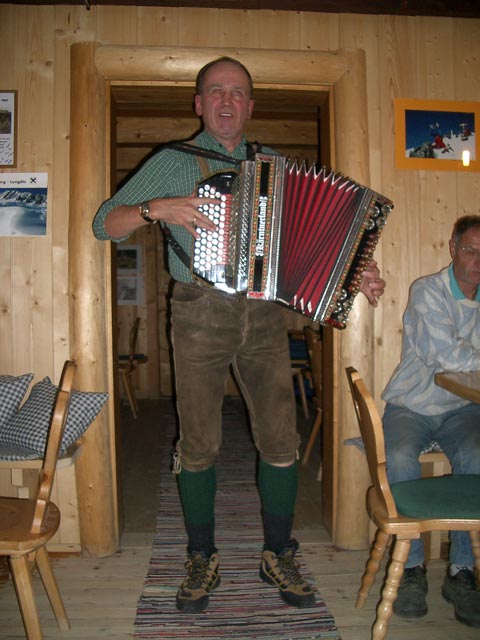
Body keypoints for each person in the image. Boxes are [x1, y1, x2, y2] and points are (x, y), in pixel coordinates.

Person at [93, 56, 385, 614]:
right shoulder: (172, 162)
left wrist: (353, 273)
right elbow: (103, 222)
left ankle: (279, 552)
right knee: (198, 441)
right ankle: (202, 555)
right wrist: (156, 208)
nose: (227, 101)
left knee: (281, 439)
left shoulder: (273, 164)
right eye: (215, 91)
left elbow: (317, 237)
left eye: (238, 92)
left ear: (250, 105)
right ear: (199, 103)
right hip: (199, 311)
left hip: (264, 312)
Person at [382, 214, 480, 628]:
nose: (479, 260)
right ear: (453, 249)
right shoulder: (428, 291)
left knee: (477, 456)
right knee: (401, 455)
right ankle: (412, 568)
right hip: (413, 404)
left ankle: (461, 571)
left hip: (464, 409)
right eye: (472, 250)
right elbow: (448, 358)